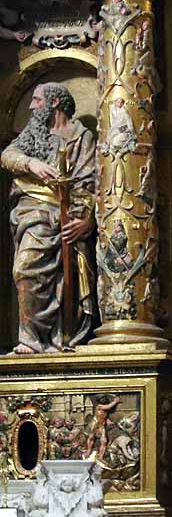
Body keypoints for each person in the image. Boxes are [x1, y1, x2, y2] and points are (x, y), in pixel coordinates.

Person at [1, 82, 97, 354]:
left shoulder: (81, 137)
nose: (32, 106)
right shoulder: (34, 134)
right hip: (32, 214)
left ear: (55, 102)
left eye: (37, 100)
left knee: (65, 279)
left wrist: (87, 220)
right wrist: (32, 163)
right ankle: (30, 338)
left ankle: (58, 337)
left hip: (66, 217)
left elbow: (89, 183)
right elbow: (7, 156)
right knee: (24, 269)